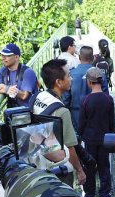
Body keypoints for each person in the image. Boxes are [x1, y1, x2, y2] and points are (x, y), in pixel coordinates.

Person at [32, 59, 86, 188]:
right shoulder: (61, 111)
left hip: (38, 160)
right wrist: (79, 170)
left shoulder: (39, 96)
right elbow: (70, 147)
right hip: (58, 166)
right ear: (59, 82)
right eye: (68, 75)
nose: (71, 78)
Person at [78, 67, 115, 197]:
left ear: (89, 82)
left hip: (90, 139)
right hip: (105, 139)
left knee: (89, 166)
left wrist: (81, 136)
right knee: (104, 167)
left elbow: (82, 122)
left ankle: (89, 195)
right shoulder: (108, 99)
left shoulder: (85, 100)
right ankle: (105, 196)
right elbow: (112, 122)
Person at [63, 46, 108, 131]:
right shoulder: (100, 73)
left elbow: (66, 98)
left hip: (76, 113)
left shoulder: (71, 74)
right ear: (93, 58)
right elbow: (105, 96)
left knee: (78, 137)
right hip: (96, 112)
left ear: (79, 57)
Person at [0, 43, 38, 108]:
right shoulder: (3, 70)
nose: (3, 58)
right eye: (2, 55)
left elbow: (24, 96)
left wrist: (4, 88)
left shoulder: (27, 72)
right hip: (12, 111)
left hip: (28, 112)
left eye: (7, 55)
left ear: (16, 57)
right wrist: (5, 88)